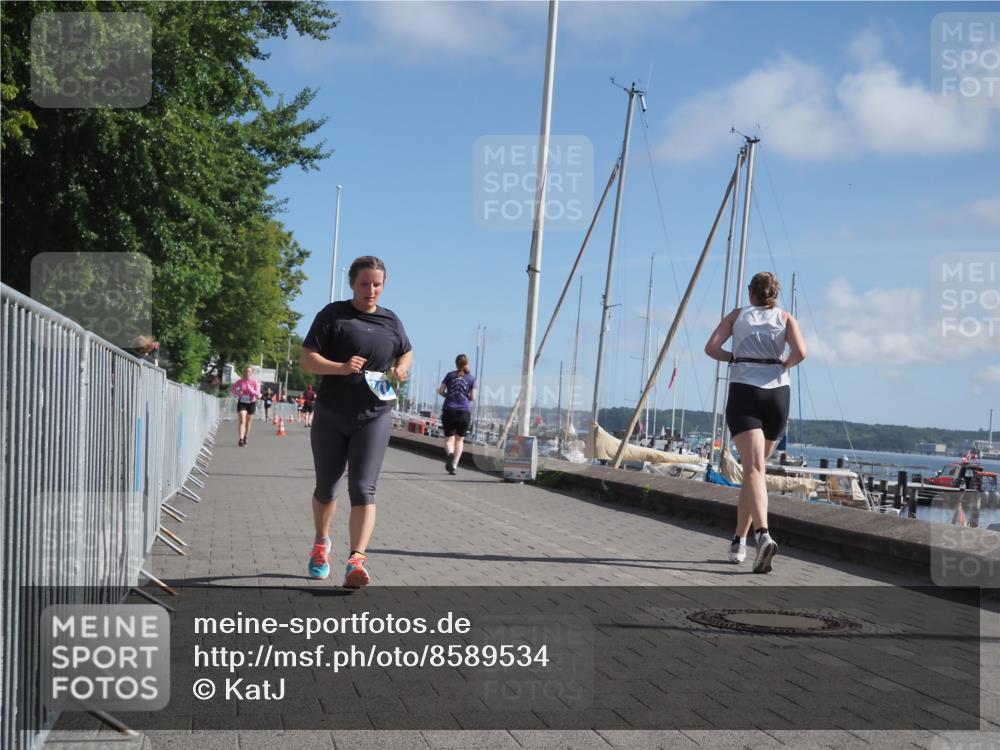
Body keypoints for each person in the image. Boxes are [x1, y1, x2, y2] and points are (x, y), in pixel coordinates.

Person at [300, 256, 412, 589]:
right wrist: (341, 367)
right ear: (352, 283)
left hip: (375, 413)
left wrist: (402, 369)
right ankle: (321, 544)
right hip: (332, 412)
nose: (371, 290)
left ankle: (356, 561)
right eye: (365, 284)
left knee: (363, 488)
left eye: (377, 284)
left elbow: (406, 351)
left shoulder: (391, 321)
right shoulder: (333, 314)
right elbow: (308, 359)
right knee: (326, 487)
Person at [704, 271, 806, 573]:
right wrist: (781, 365)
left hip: (745, 392)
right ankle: (738, 540)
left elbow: (711, 348)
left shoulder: (737, 315)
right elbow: (801, 352)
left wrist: (733, 357)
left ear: (751, 293)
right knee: (755, 473)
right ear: (775, 293)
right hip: (777, 395)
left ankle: (762, 534)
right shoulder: (786, 318)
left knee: (753, 470)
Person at [437, 354, 477, 475]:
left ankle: (450, 454)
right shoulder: (471, 378)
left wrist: (448, 396)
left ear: (456, 364)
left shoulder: (450, 375)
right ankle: (454, 465)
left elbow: (441, 391)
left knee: (449, 439)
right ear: (466, 363)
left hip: (449, 410)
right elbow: (473, 397)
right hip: (464, 412)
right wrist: (466, 397)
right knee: (459, 441)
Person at [231, 366, 261, 447]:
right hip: (242, 402)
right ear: (243, 372)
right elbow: (232, 389)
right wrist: (238, 393)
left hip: (251, 402)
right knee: (242, 421)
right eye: (246, 371)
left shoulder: (255, 382)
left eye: (249, 371)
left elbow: (258, 395)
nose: (247, 373)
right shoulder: (240, 381)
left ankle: (245, 437)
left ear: (251, 373)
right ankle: (240, 439)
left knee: (248, 422)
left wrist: (251, 389)